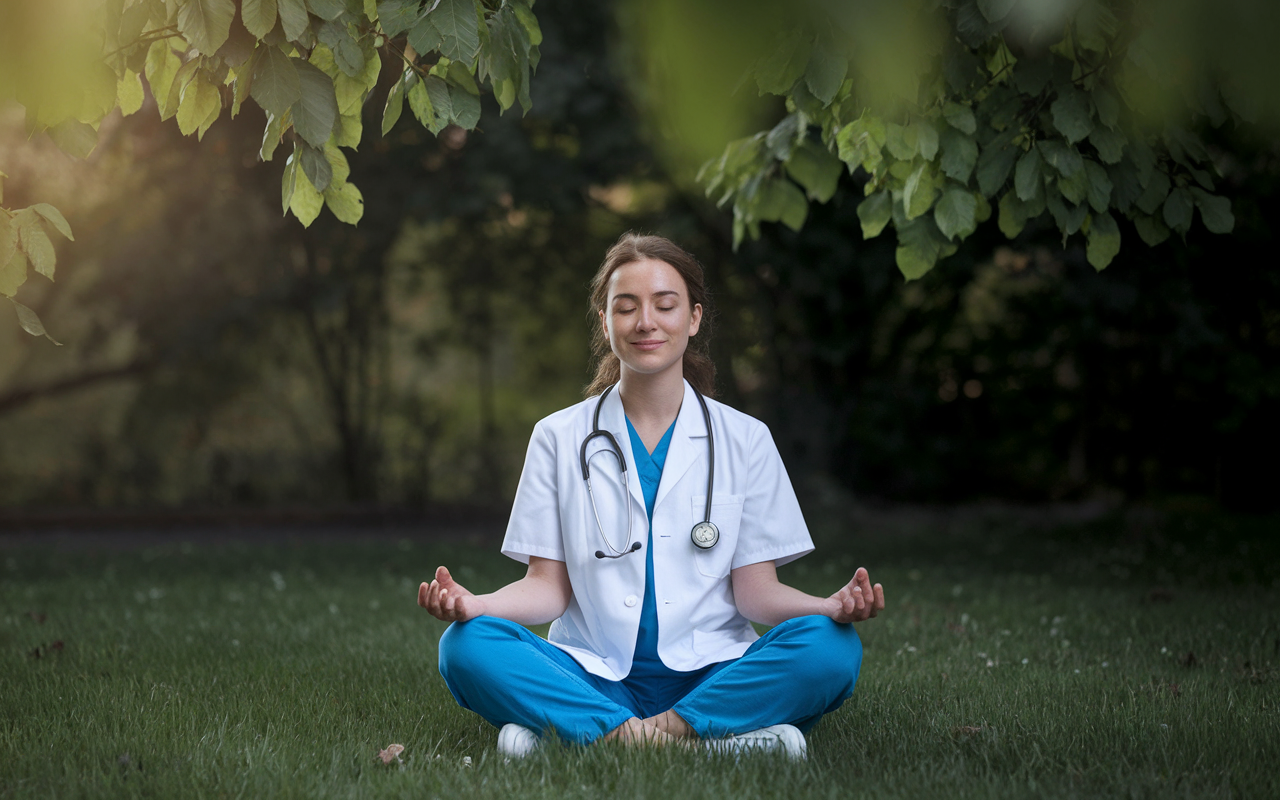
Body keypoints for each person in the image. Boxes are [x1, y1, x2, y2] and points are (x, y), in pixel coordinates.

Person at [418, 233, 885, 757]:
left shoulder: (745, 438)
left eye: (666, 305)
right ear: (605, 322)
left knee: (830, 648)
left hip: (713, 672)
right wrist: (474, 605)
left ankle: (590, 735)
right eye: (626, 307)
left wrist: (829, 607)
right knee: (466, 646)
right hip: (591, 671)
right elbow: (547, 590)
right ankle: (706, 739)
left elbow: (755, 592)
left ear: (694, 318)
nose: (646, 322)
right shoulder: (558, 436)